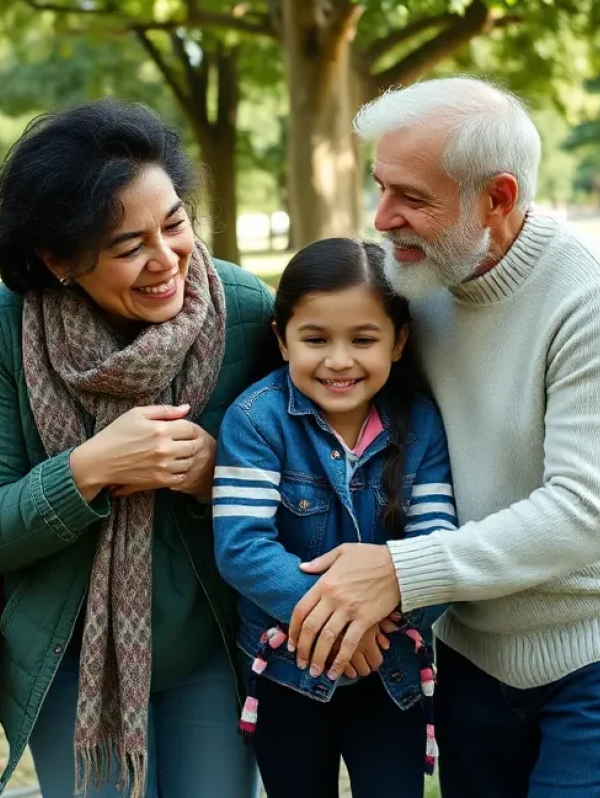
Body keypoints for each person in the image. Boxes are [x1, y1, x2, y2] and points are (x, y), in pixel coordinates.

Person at [287, 77, 600, 797]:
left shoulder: (590, 298)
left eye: (412, 197)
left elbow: (587, 512)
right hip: (467, 663)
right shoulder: (409, 288)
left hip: (594, 666)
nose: (383, 217)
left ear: (497, 199)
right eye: (379, 186)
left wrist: (399, 571)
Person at [0, 99, 274, 798]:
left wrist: (215, 473)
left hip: (214, 649)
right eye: (128, 247)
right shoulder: (3, 327)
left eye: (176, 224)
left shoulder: (247, 310)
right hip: (70, 662)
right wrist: (89, 468)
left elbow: (308, 486)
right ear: (58, 259)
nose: (166, 261)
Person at [214, 238, 455, 798]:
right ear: (281, 339)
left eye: (363, 339)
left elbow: (438, 542)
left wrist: (376, 617)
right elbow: (243, 548)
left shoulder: (421, 425)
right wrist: (347, 622)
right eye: (316, 339)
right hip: (285, 670)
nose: (339, 360)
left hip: (390, 669)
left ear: (399, 342)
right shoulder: (255, 421)